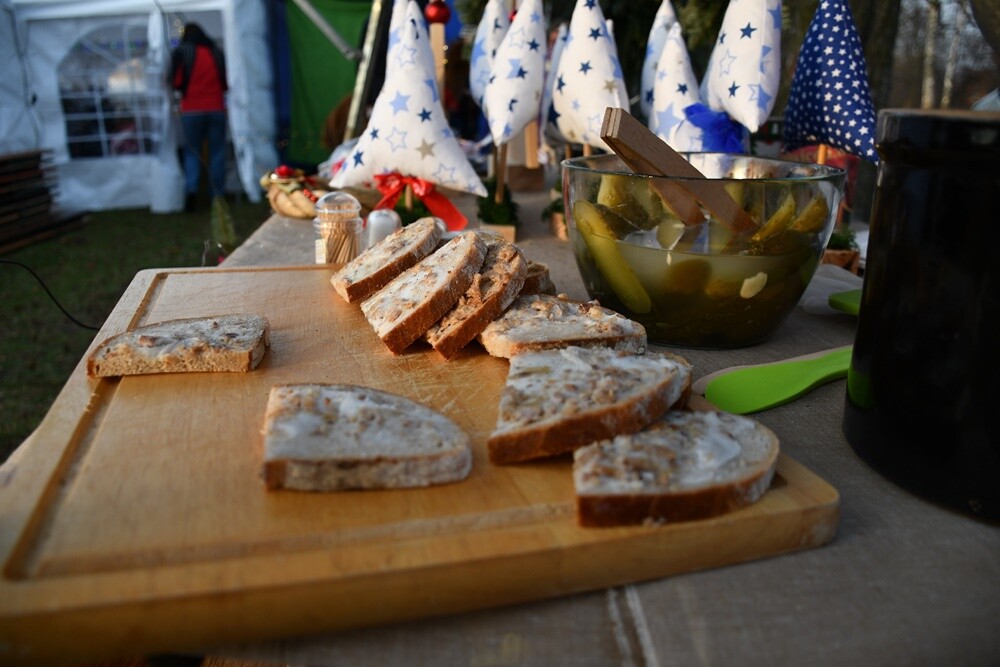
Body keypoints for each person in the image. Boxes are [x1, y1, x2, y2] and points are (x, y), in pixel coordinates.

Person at [168, 23, 228, 211]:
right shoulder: (216, 52)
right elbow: (225, 81)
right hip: (216, 108)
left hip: (192, 109)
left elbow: (175, 82)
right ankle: (217, 195)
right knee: (217, 152)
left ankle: (191, 190)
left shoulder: (182, 52)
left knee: (192, 152)